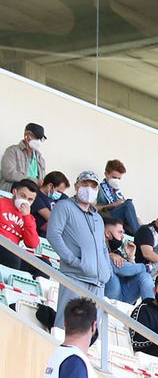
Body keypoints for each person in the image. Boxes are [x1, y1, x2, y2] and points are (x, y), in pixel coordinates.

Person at [46, 170, 111, 314]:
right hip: (75, 278)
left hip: (98, 284)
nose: (88, 189)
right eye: (84, 184)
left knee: (91, 333)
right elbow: (53, 235)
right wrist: (73, 261)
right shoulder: (64, 206)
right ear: (76, 186)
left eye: (93, 186)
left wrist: (107, 270)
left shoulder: (98, 218)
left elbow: (103, 247)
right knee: (67, 325)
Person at [0, 177, 40, 257]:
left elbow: (32, 244)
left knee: (44, 264)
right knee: (14, 258)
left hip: (14, 251)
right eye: (23, 196)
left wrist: (26, 217)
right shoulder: (1, 203)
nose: (25, 201)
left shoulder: (29, 218)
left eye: (30, 199)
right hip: (2, 244)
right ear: (15, 192)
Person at [0, 123, 45, 190]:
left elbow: (42, 179)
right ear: (26, 136)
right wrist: (34, 181)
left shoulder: (39, 158)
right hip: (16, 186)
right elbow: (8, 174)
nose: (39, 141)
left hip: (35, 188)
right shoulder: (12, 151)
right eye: (36, 138)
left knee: (62, 197)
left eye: (40, 139)